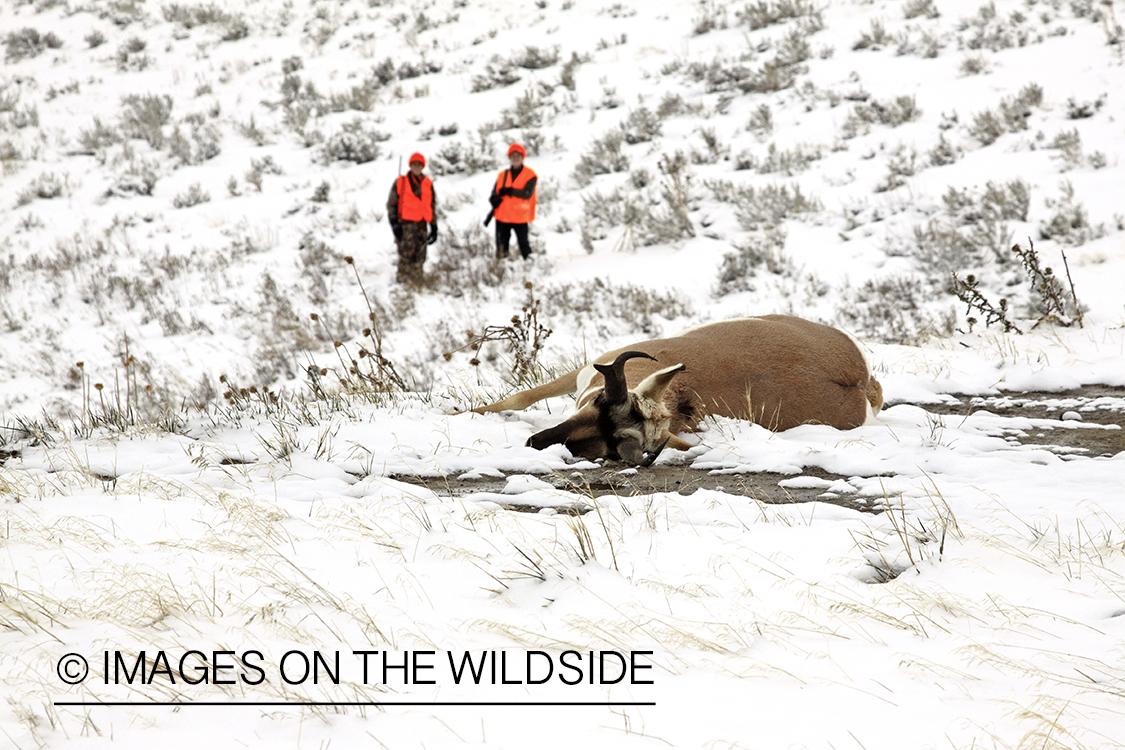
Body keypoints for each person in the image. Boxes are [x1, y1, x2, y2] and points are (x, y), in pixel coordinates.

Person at [387, 152, 437, 285]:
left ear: (422, 166)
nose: (416, 167)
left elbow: (432, 205)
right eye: (414, 164)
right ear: (410, 165)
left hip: (422, 226)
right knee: (405, 255)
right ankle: (402, 283)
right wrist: (394, 224)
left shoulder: (427, 183)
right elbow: (391, 204)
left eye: (419, 164)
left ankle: (417, 281)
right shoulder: (400, 182)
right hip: (405, 225)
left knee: (420, 255)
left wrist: (434, 226)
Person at [489, 143, 537, 259]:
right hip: (502, 216)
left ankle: (530, 267)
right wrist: (494, 199)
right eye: (513, 155)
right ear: (509, 157)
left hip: (520, 216)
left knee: (524, 245)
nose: (515, 158)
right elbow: (494, 192)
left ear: (523, 157)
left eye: (518, 155)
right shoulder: (502, 175)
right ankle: (501, 270)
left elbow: (527, 194)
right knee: (501, 246)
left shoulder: (530, 175)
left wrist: (510, 191)